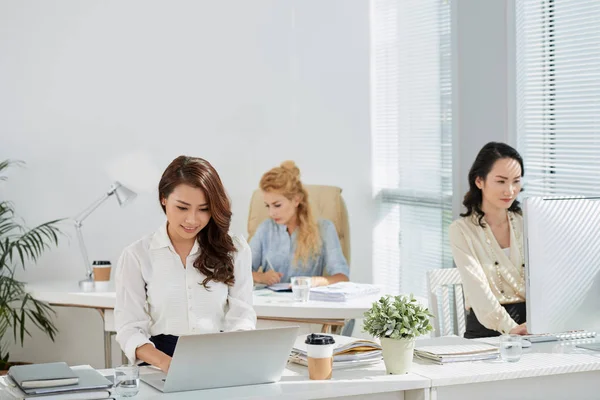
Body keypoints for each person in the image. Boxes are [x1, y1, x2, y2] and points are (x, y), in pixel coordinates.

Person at [115, 156, 256, 372]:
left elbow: (242, 316)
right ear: (164, 199)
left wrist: (230, 358)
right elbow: (129, 328)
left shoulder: (234, 250)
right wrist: (167, 364)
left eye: (203, 209)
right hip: (158, 364)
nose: (192, 220)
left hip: (220, 361)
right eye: (182, 208)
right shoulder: (137, 255)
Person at [449, 142, 529, 338]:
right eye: (501, 181)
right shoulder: (462, 230)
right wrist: (510, 328)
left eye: (516, 181)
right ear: (479, 181)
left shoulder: (528, 223)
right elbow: (478, 291)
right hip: (487, 330)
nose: (509, 190)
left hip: (531, 326)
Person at [250, 161, 350, 287]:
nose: (271, 213)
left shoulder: (324, 229)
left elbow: (342, 277)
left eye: (277, 205)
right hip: (271, 303)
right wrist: (261, 277)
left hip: (306, 302)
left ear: (296, 199)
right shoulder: (266, 229)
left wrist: (312, 282)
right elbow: (239, 271)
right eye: (268, 206)